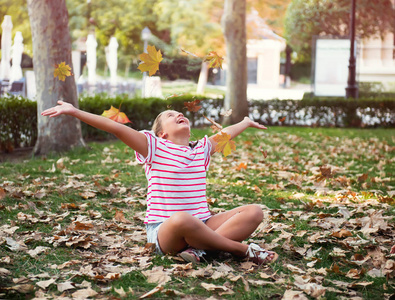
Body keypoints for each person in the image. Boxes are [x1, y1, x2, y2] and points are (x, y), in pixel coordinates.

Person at [42, 100, 278, 265]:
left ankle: (199, 250)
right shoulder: (153, 147)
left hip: (203, 224)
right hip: (165, 230)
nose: (178, 114)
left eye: (179, 113)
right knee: (183, 218)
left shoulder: (201, 149)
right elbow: (114, 126)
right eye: (169, 115)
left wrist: (246, 122)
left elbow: (227, 133)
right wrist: (74, 112)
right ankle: (244, 250)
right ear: (162, 133)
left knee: (254, 212)